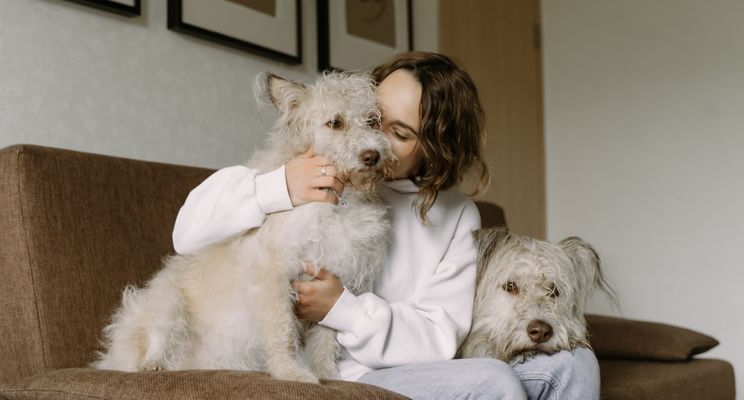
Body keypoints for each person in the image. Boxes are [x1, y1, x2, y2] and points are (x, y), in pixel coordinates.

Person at [172, 52, 599, 400]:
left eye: (399, 132)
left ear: (434, 149)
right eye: (373, 117)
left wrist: (343, 309)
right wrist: (277, 187)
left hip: (405, 367)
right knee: (493, 380)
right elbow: (187, 233)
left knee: (576, 363)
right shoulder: (306, 169)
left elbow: (438, 338)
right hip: (338, 372)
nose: (370, 141)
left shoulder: (455, 215)